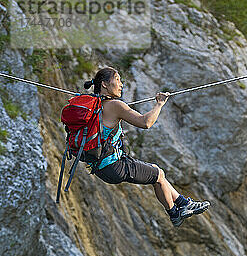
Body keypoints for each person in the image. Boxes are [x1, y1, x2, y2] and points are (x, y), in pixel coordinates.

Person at [83, 66, 210, 227]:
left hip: (100, 168)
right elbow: (146, 122)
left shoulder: (92, 105)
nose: (121, 84)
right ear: (104, 84)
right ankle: (176, 213)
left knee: (158, 175)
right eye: (117, 79)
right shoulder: (115, 105)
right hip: (114, 166)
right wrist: (159, 104)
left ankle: (183, 203)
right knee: (158, 174)